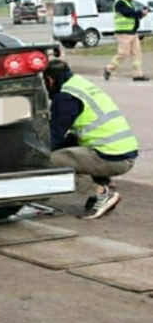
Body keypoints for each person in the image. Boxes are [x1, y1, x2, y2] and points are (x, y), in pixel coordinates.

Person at [43, 59, 138, 219]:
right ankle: (104, 183)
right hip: (123, 153)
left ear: (49, 80)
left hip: (110, 157)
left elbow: (54, 136)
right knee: (69, 151)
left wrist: (32, 156)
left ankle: (100, 193)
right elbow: (74, 137)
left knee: (49, 160)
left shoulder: (66, 96)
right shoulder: (81, 85)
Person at [103, 0, 150, 82]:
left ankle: (138, 74)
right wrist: (141, 13)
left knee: (137, 53)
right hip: (123, 32)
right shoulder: (120, 3)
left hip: (132, 32)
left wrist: (141, 14)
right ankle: (108, 69)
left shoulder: (129, 2)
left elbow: (133, 13)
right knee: (123, 53)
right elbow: (128, 13)